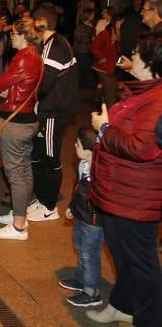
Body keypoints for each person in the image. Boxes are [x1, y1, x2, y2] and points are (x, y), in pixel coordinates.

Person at [86, 31, 162, 325]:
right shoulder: (144, 90)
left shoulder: (156, 99)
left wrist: (104, 129)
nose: (131, 57)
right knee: (121, 254)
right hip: (120, 190)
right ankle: (123, 305)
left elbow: (143, 148)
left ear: (150, 61)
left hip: (136, 196)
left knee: (141, 263)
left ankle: (148, 318)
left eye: (137, 54)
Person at [0, 18, 44, 240]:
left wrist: (4, 89)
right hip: (26, 117)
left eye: (12, 34)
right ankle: (20, 213)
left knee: (15, 173)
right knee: (23, 169)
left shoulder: (24, 58)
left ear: (22, 36)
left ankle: (19, 226)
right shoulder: (34, 56)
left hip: (16, 122)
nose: (10, 37)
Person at [28, 15, 78, 222]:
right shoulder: (56, 42)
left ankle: (49, 207)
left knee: (50, 157)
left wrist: (29, 96)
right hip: (52, 109)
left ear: (41, 25)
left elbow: (44, 81)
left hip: (53, 112)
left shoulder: (53, 46)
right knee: (41, 154)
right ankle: (42, 199)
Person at [59, 128, 104, 308]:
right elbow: (78, 189)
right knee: (81, 249)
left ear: (89, 150)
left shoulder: (100, 172)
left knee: (89, 254)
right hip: (81, 214)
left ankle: (91, 291)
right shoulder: (83, 164)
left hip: (93, 221)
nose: (74, 146)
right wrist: (72, 206)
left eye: (77, 144)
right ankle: (81, 279)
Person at [90, 15, 121, 107]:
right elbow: (93, 47)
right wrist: (102, 58)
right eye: (120, 21)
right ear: (115, 22)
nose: (123, 23)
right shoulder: (105, 33)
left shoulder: (121, 34)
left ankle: (99, 101)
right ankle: (110, 113)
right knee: (110, 89)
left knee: (111, 88)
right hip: (102, 67)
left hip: (112, 67)